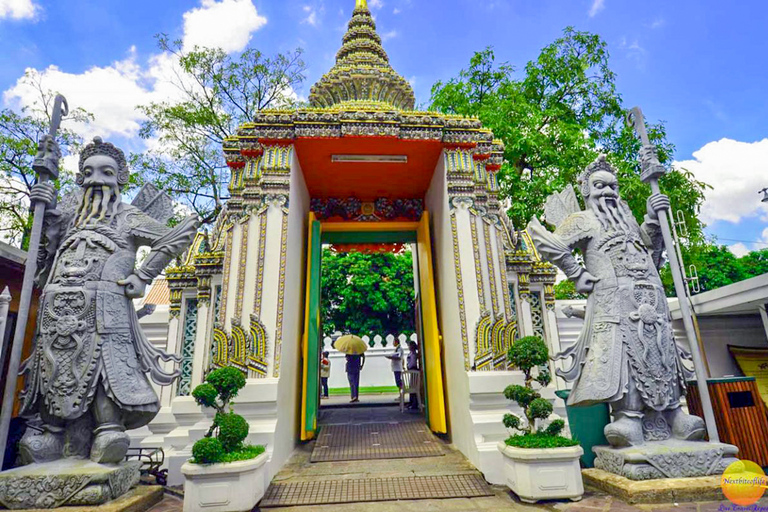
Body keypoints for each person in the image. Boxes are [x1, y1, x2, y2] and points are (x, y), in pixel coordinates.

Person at [406, 341, 420, 410]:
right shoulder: (411, 354)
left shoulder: (414, 354)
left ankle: (414, 403)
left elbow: (413, 363)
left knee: (413, 387)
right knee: (411, 386)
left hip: (413, 369)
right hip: (411, 369)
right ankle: (411, 402)